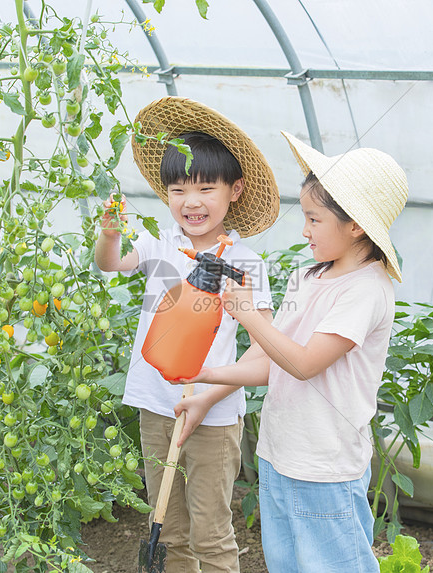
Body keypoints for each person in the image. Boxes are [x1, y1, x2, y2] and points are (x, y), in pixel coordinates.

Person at [173, 131, 409, 573]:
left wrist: (249, 315)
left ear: (356, 224)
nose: (304, 229)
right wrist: (204, 377)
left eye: (314, 219)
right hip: (280, 454)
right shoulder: (309, 276)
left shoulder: (366, 290)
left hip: (326, 465)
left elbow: (303, 364)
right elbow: (270, 361)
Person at [95, 97, 279, 573]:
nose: (190, 201)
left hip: (215, 415)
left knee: (211, 532)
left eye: (205, 188)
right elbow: (110, 263)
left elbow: (263, 350)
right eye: (177, 189)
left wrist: (207, 397)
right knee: (169, 530)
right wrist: (110, 235)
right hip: (156, 404)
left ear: (235, 190)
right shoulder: (160, 245)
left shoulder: (246, 264)